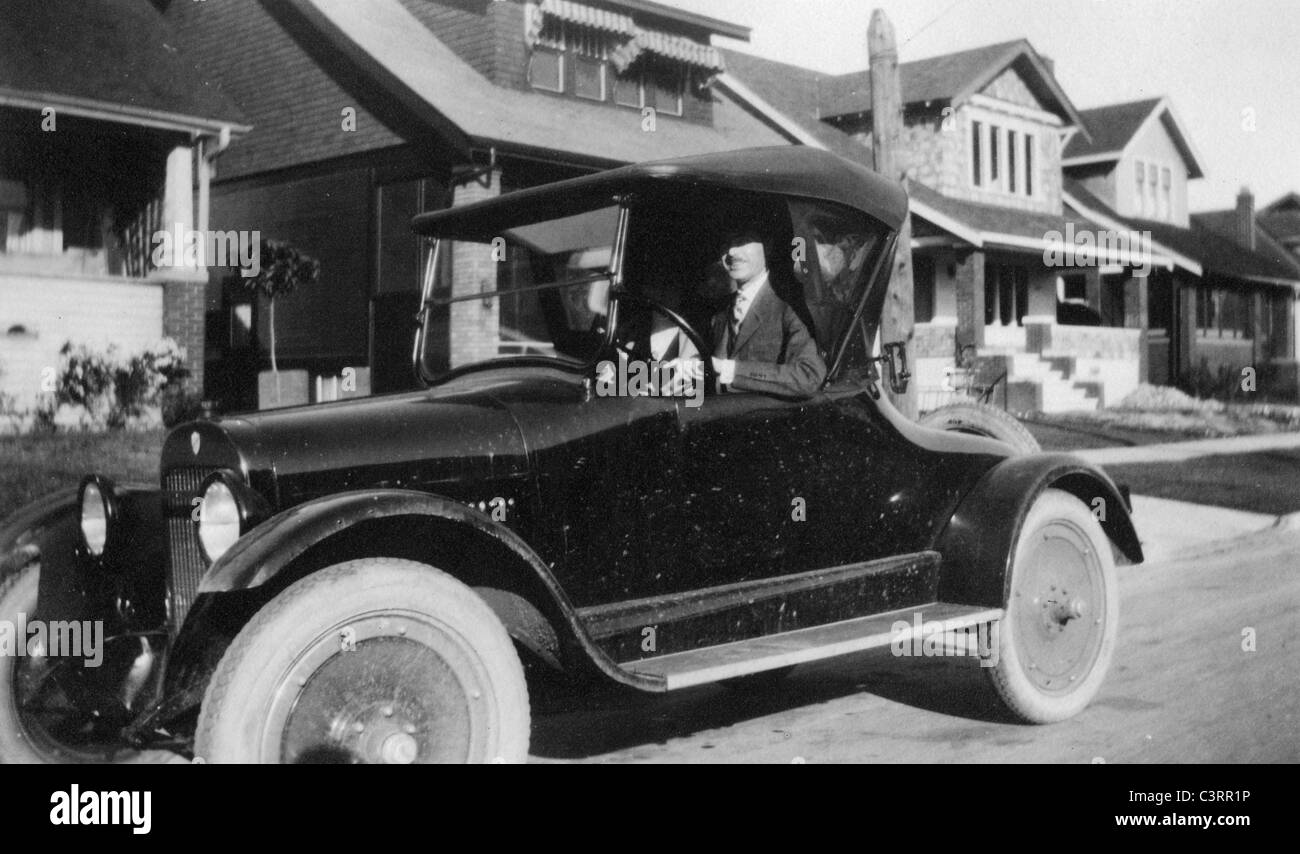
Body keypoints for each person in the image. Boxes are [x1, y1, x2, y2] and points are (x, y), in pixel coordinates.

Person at [705, 228, 826, 398]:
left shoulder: (791, 306)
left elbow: (808, 377)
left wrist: (728, 369)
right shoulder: (721, 309)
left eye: (741, 241)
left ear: (767, 246)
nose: (731, 252)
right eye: (726, 245)